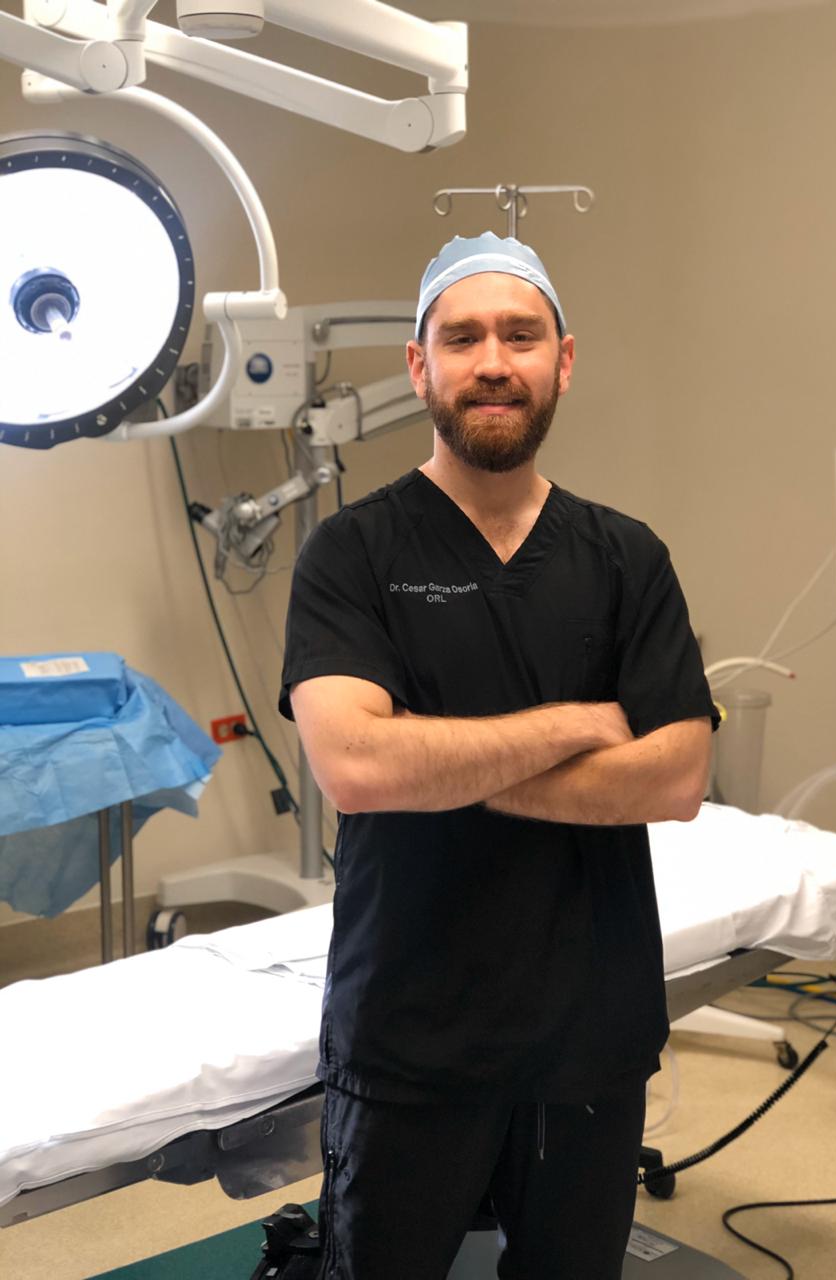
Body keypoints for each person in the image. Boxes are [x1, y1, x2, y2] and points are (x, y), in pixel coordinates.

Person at [279, 231, 716, 1280]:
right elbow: (357, 769)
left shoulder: (626, 556)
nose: (492, 361)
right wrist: (578, 724)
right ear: (418, 365)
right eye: (462, 337)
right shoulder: (353, 552)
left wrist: (441, 760)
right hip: (410, 1032)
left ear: (563, 360)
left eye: (520, 336)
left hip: (591, 1033)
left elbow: (676, 778)